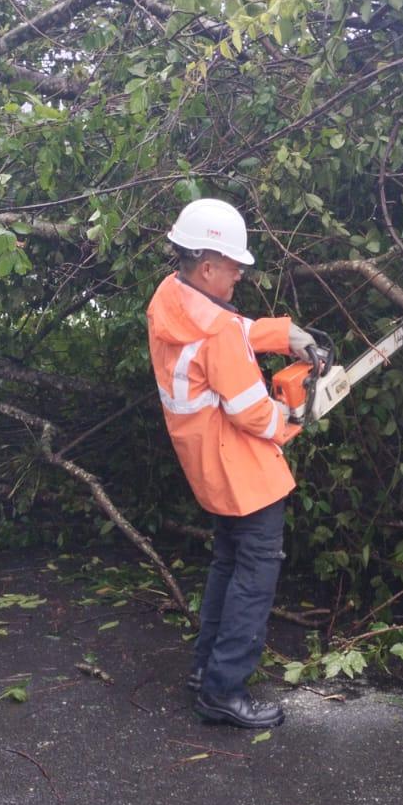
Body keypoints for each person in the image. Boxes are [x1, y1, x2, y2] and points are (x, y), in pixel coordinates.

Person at [145, 199, 320, 729]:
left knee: (227, 564)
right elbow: (252, 412)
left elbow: (227, 325)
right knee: (254, 576)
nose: (239, 275)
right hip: (243, 470)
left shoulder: (170, 298)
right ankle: (224, 689)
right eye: (233, 267)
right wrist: (294, 415)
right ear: (207, 267)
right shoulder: (217, 331)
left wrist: (281, 335)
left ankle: (206, 670)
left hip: (206, 463)